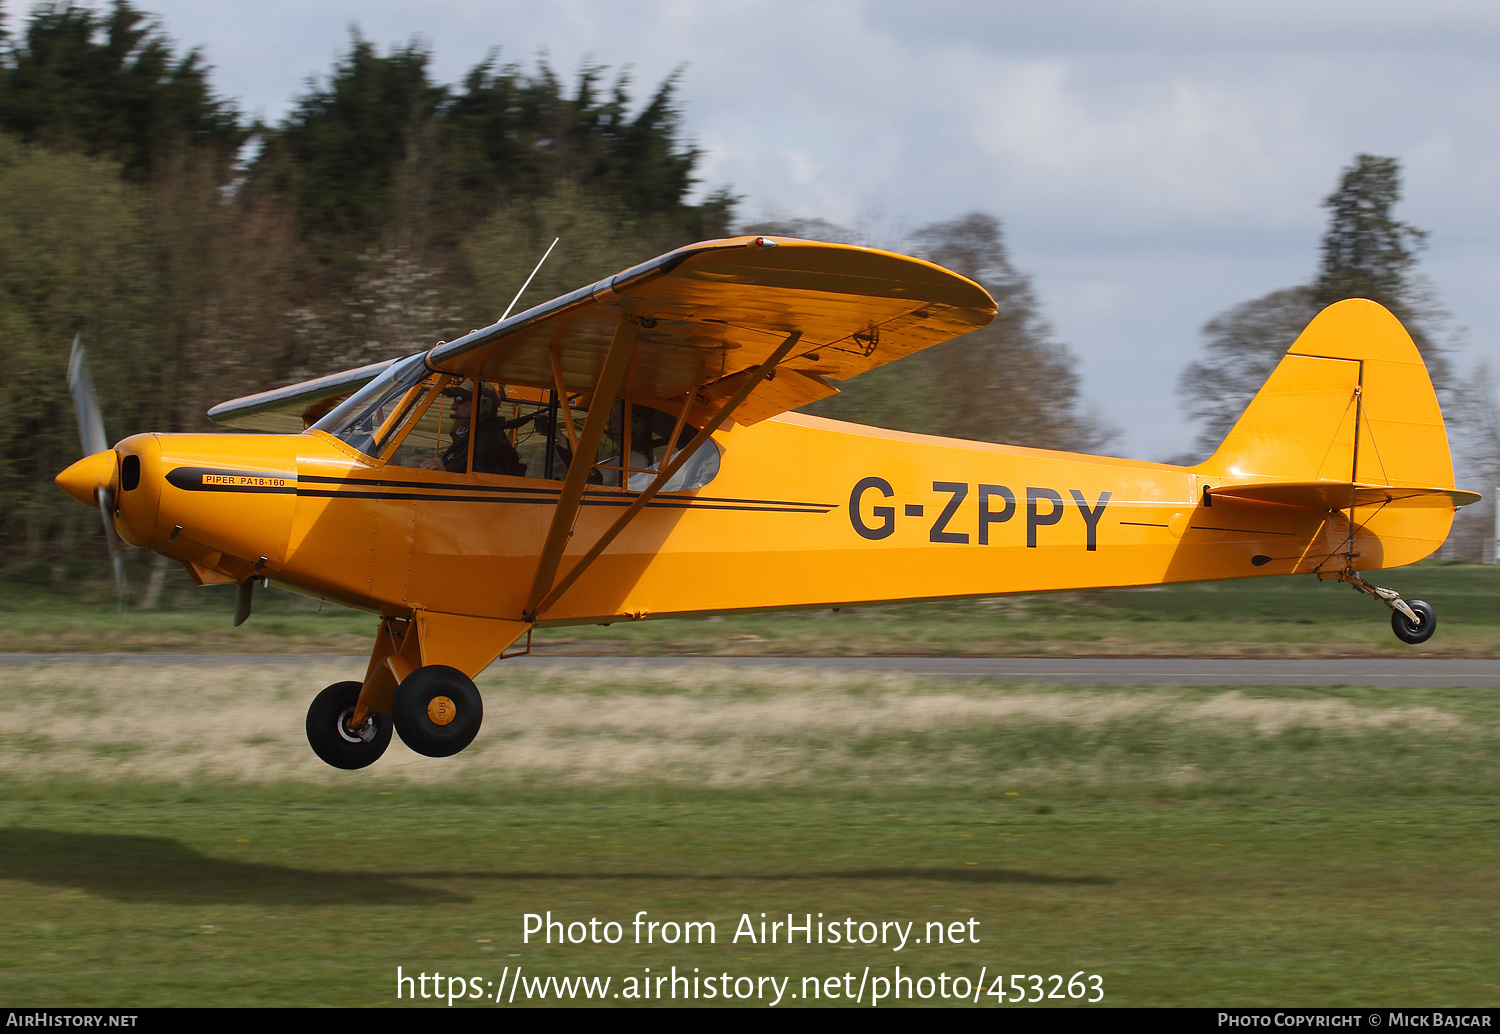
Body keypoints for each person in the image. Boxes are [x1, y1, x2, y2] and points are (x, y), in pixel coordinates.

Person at [421, 383, 526, 476]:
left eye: (460, 400)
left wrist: (444, 476)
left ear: (483, 405)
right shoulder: (471, 440)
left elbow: (489, 494)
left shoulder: (493, 448)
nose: (453, 407)